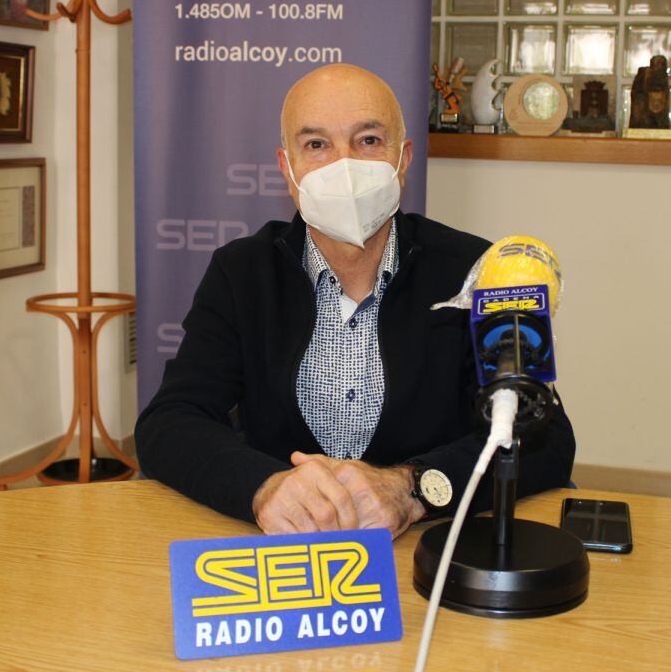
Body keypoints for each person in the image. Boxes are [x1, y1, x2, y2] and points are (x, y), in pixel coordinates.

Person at [135, 64, 574, 538]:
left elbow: (546, 437)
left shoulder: (478, 270)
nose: (343, 165)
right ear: (288, 169)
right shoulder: (241, 273)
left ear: (403, 159)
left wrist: (414, 488)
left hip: (430, 552)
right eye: (316, 145)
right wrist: (263, 488)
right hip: (285, 549)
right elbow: (170, 421)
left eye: (368, 140)